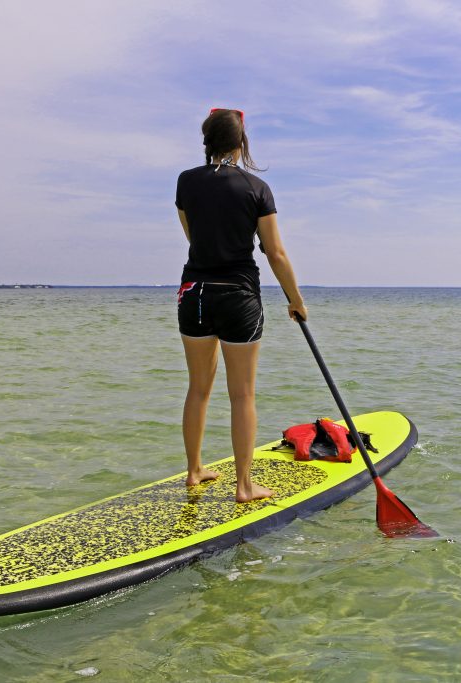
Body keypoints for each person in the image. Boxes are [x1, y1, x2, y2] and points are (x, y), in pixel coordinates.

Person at [175, 108, 307, 503]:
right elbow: (276, 253)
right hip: (239, 295)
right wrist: (295, 300)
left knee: (198, 389)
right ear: (240, 142)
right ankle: (245, 486)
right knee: (242, 395)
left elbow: (192, 235)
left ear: (208, 140)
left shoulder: (186, 182)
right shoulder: (256, 188)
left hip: (194, 293)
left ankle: (195, 470)